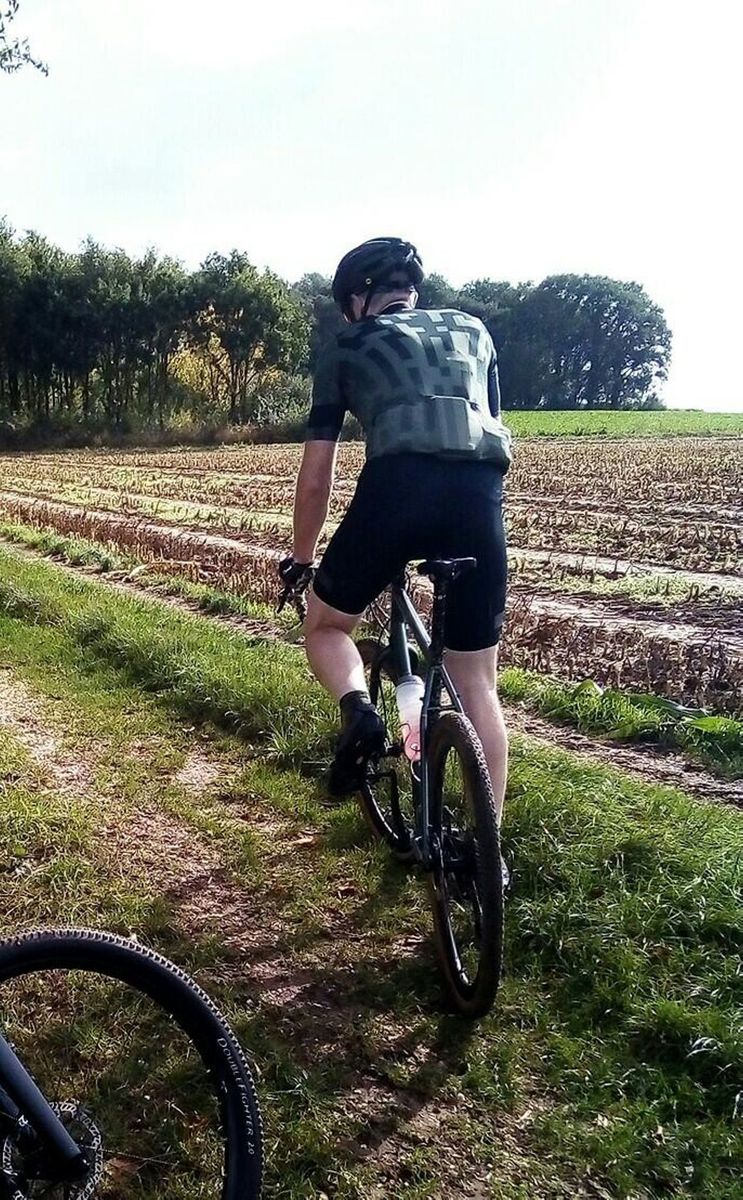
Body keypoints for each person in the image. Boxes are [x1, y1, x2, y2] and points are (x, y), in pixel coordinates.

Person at [279, 237, 512, 823]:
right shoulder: (474, 331)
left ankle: (359, 710)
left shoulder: (347, 345)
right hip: (478, 497)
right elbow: (491, 424)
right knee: (475, 680)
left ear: (358, 300)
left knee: (326, 626)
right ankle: (486, 850)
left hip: (396, 490)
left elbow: (316, 476)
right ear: (410, 291)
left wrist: (302, 559)